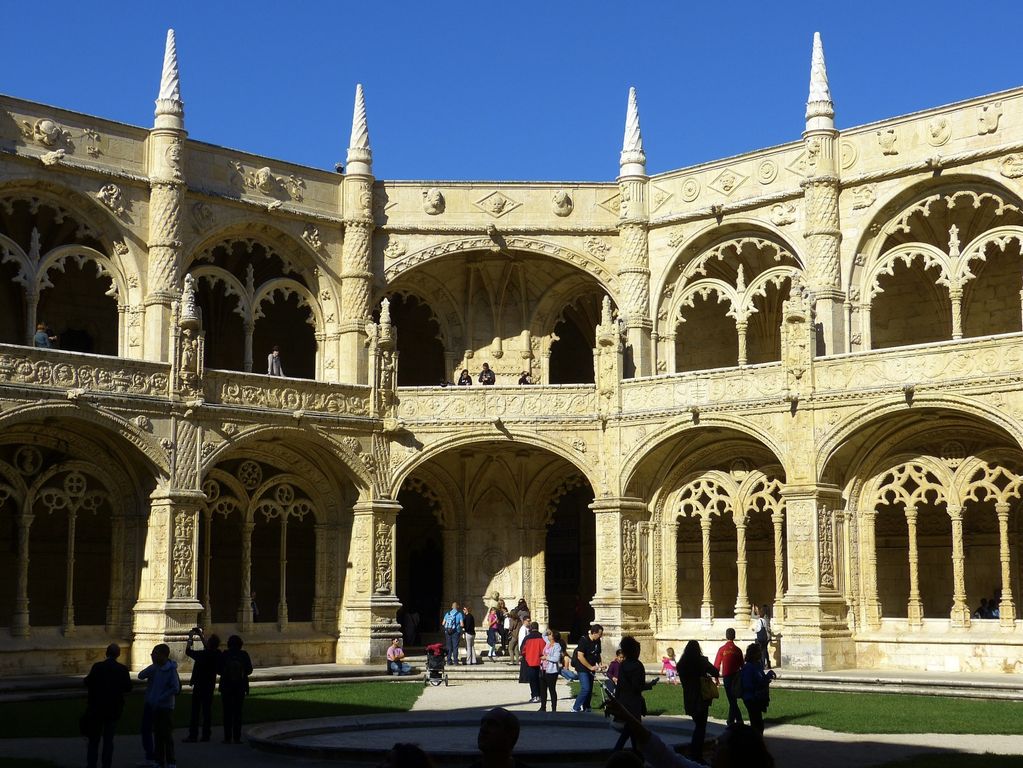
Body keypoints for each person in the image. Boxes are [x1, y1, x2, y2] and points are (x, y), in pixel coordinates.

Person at [83, 643, 132, 768]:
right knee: (108, 740)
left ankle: (91, 765)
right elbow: (128, 687)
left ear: (106, 653)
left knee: (94, 740)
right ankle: (106, 765)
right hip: (113, 709)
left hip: (96, 708)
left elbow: (87, 682)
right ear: (118, 655)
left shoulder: (98, 667)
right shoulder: (122, 669)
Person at [611, 635, 657, 753]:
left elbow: (620, 685)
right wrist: (649, 685)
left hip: (624, 700)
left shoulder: (623, 665)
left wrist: (617, 701)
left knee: (631, 730)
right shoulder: (637, 666)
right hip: (633, 702)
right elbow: (637, 687)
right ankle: (631, 754)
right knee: (633, 729)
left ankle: (635, 754)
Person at [139, 644, 180, 768]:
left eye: (155, 653)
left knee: (166, 734)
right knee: (157, 734)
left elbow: (175, 687)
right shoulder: (155, 668)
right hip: (153, 705)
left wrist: (160, 698)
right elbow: (141, 675)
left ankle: (171, 761)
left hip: (165, 706)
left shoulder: (170, 669)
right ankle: (159, 760)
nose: (153, 656)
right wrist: (152, 665)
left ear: (163, 655)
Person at [678, 639, 718, 764]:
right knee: (701, 727)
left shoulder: (682, 664)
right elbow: (715, 672)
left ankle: (695, 752)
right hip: (701, 696)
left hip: (689, 697)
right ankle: (696, 754)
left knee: (698, 725)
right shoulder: (701, 661)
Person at [183, 628, 221, 743]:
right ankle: (206, 735)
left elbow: (188, 651)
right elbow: (209, 648)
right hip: (209, 685)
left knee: (195, 711)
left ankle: (193, 735)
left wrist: (190, 638)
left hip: (199, 684)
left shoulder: (202, 655)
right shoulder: (217, 654)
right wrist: (200, 635)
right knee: (207, 711)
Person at [219, 634, 254, 744]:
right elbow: (249, 670)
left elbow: (219, 670)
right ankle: (237, 737)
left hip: (227, 687)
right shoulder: (244, 655)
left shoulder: (225, 654)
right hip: (240, 687)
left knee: (227, 712)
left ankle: (227, 737)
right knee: (238, 712)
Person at [740, 643, 776, 735]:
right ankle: (755, 744)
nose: (761, 654)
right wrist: (763, 680)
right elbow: (749, 684)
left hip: (757, 698)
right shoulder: (748, 667)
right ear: (754, 654)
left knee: (758, 724)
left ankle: (756, 742)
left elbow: (762, 679)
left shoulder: (758, 665)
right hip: (751, 698)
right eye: (758, 652)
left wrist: (768, 676)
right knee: (757, 724)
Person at [714, 628, 745, 727]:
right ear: (734, 637)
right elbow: (742, 665)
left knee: (732, 700)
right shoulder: (738, 650)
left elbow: (717, 665)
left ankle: (734, 721)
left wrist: (716, 678)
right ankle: (734, 720)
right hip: (736, 677)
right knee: (733, 700)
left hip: (727, 677)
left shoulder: (722, 649)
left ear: (726, 636)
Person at [572, 623, 603, 712]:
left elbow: (597, 654)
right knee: (586, 688)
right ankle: (575, 707)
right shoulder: (583, 640)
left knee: (590, 688)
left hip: (592, 667)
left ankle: (587, 706)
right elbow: (580, 656)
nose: (600, 636)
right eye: (600, 634)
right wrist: (590, 667)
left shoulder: (598, 641)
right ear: (594, 633)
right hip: (582, 668)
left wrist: (600, 664)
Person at [521, 621, 545, 703]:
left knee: (533, 680)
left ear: (531, 628)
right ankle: (541, 696)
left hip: (530, 661)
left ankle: (535, 696)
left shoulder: (527, 638)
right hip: (541, 661)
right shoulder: (542, 637)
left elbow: (523, 650)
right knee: (540, 680)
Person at [539, 629, 563, 712]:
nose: (548, 636)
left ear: (553, 637)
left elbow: (556, 658)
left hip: (552, 671)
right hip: (543, 669)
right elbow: (543, 635)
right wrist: (547, 630)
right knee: (543, 689)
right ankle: (543, 707)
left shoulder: (557, 646)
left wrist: (546, 657)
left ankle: (553, 708)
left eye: (550, 634)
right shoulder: (548, 643)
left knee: (552, 689)